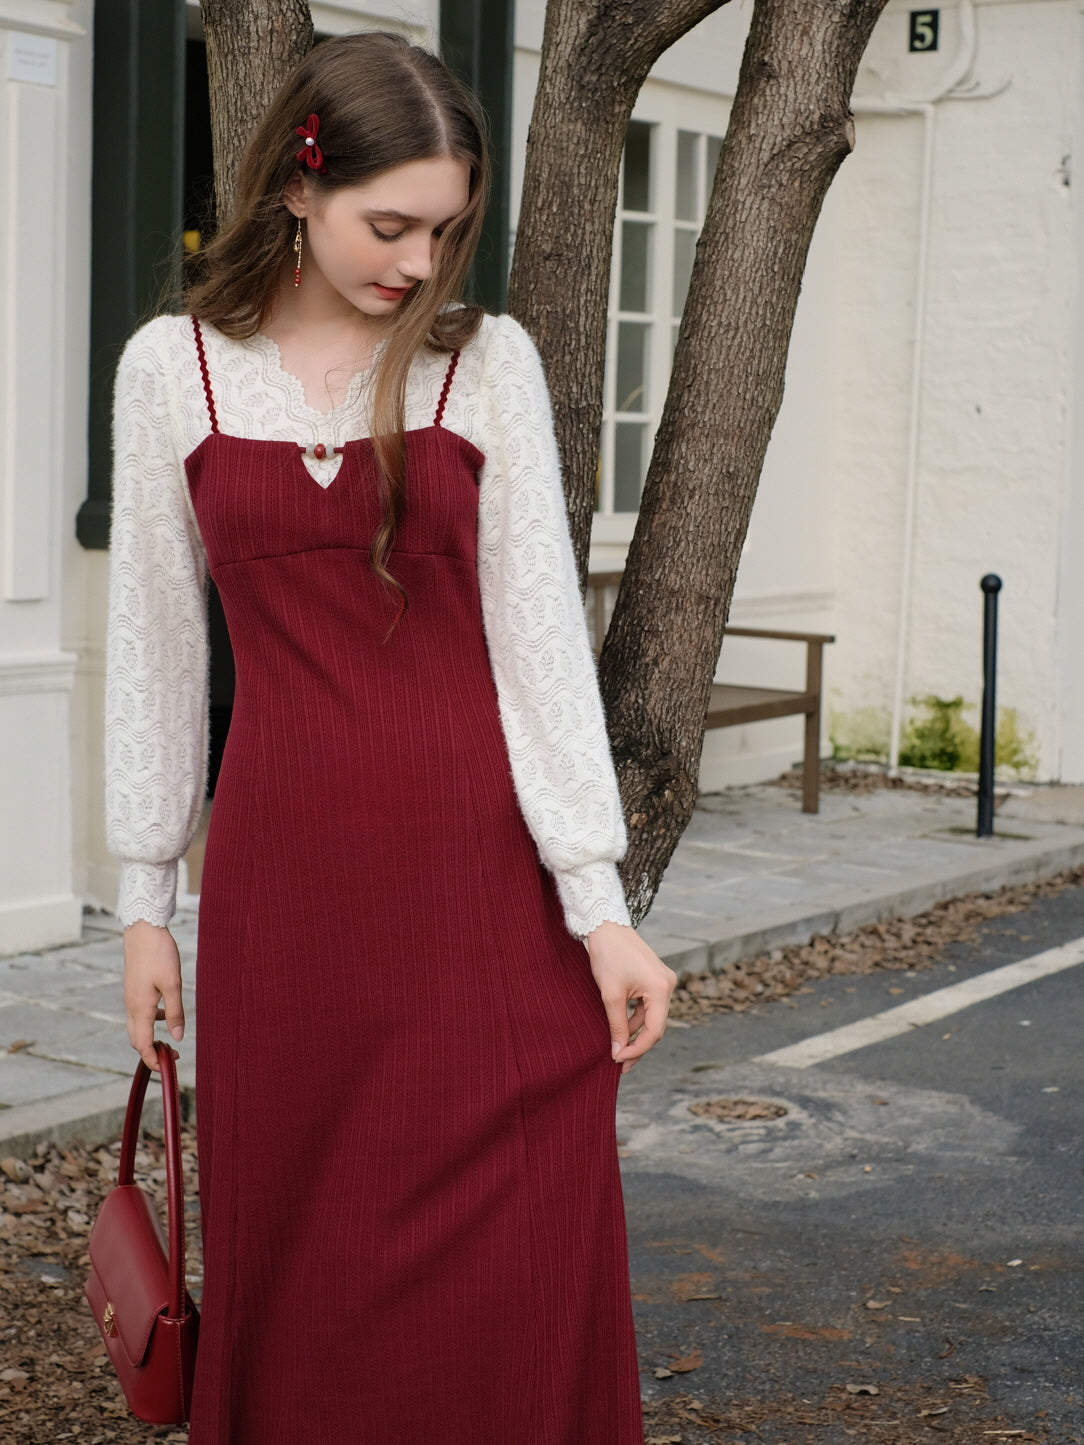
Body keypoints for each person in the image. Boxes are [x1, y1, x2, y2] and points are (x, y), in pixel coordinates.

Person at [105, 30, 675, 1445]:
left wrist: (597, 906)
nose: (419, 263)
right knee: (300, 1253)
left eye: (446, 228)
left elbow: (539, 643)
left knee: (520, 1249)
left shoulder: (486, 366)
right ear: (298, 187)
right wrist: (142, 901)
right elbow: (158, 650)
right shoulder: (173, 370)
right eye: (390, 223)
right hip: (289, 890)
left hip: (482, 890)